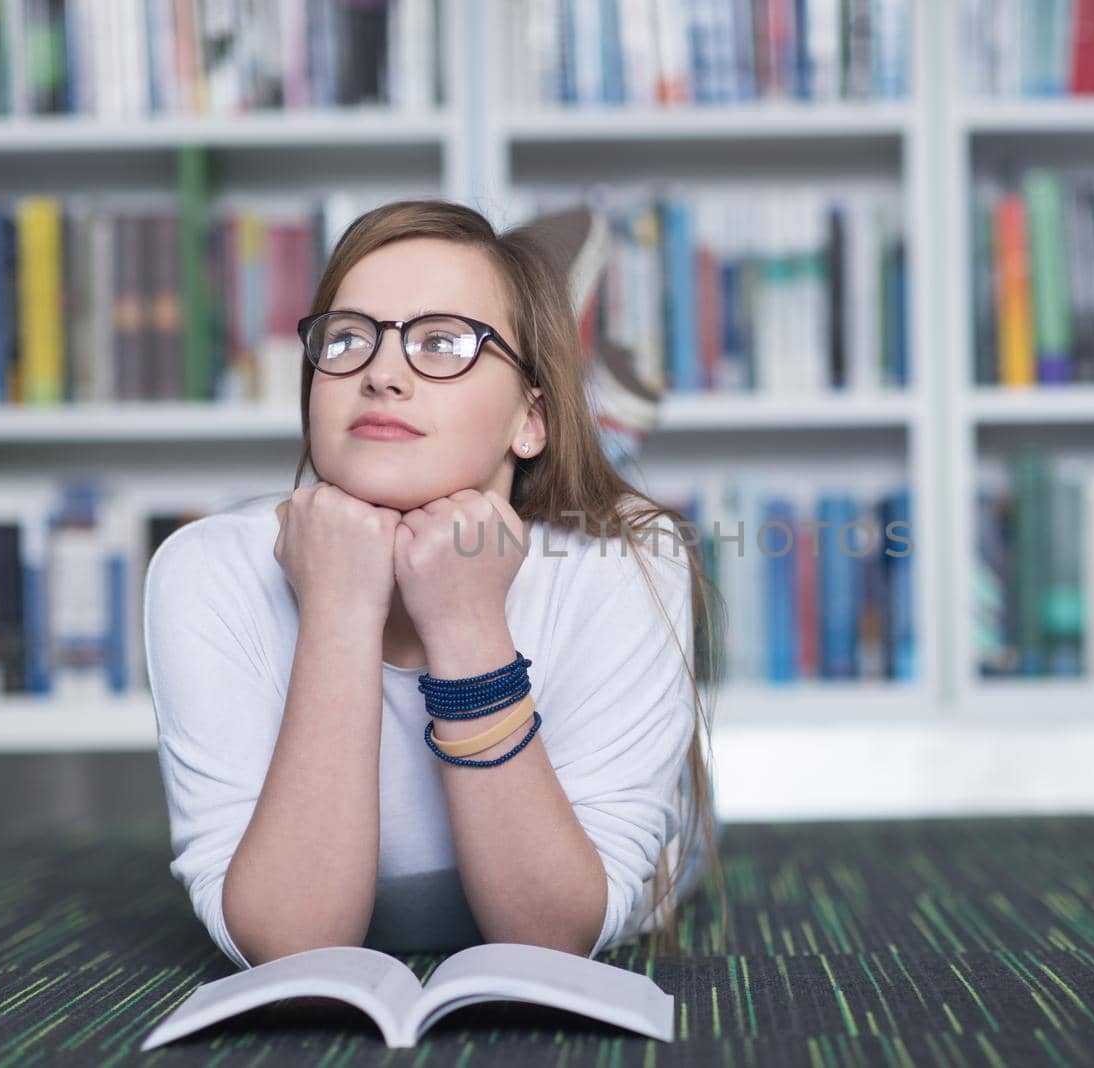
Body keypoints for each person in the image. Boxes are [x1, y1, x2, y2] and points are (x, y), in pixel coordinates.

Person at [143, 199, 726, 970]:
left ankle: (592, 417)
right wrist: (340, 611)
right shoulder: (205, 567)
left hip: (631, 850)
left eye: (444, 342)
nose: (381, 374)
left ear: (529, 416)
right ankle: (561, 378)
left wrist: (467, 625)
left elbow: (554, 936)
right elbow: (291, 944)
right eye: (347, 339)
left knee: (607, 503)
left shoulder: (628, 562)